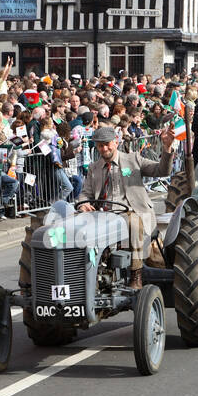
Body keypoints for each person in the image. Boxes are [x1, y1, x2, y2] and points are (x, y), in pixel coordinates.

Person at [75, 124, 177, 290]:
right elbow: (85, 193)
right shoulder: (94, 168)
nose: (104, 148)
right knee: (71, 222)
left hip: (130, 211)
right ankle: (80, 274)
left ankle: (136, 274)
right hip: (102, 215)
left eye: (107, 144)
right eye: (100, 145)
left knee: (133, 222)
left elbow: (162, 170)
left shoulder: (134, 159)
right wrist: (84, 203)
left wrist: (167, 148)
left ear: (116, 142)